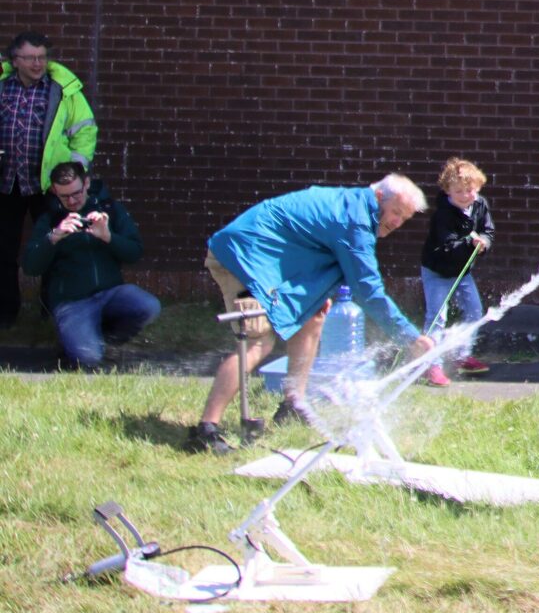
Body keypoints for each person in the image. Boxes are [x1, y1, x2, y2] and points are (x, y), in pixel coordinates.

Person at [188, 172, 435, 454]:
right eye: (395, 213)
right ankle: (206, 430)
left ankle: (293, 404)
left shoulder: (355, 207)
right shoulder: (354, 220)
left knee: (314, 315)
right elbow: (367, 289)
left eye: (404, 218)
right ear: (379, 197)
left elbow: (309, 244)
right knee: (258, 340)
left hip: (268, 261)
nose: (396, 223)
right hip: (241, 257)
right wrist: (409, 337)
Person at [21, 161, 160, 368]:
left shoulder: (110, 210)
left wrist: (108, 237)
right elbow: (30, 267)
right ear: (54, 191)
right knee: (89, 358)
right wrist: (54, 237)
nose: (72, 201)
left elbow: (135, 253)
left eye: (76, 193)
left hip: (110, 293)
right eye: (64, 196)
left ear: (86, 183)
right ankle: (78, 344)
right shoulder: (51, 219)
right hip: (72, 303)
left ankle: (110, 341)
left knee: (149, 306)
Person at [0, 32, 97, 327]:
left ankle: (51, 311)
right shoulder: (3, 87)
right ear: (15, 60)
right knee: (3, 252)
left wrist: (72, 173)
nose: (37, 63)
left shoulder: (62, 90)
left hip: (48, 186)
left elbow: (85, 131)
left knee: (55, 248)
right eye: (30, 58)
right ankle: (5, 314)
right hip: (6, 183)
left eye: (42, 57)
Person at [419, 157, 495, 387]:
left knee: (474, 311)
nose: (465, 196)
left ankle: (462, 355)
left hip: (462, 272)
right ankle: (431, 365)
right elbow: (446, 247)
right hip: (437, 271)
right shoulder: (443, 214)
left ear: (478, 187)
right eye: (458, 191)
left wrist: (484, 241)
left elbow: (488, 231)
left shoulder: (480, 205)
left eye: (469, 190)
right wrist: (469, 243)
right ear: (447, 191)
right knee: (437, 317)